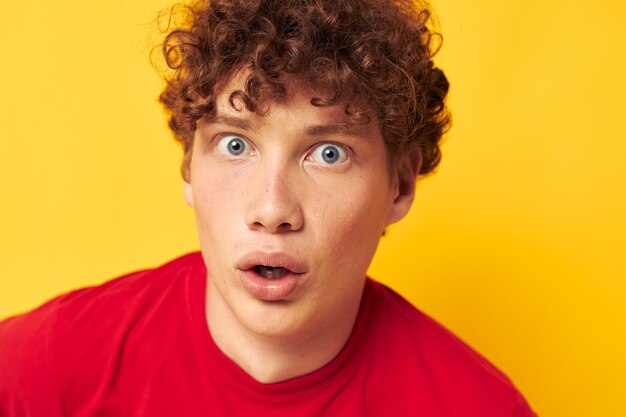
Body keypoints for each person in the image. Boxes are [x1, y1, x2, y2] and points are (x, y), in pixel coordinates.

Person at [0, 0, 537, 415]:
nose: (272, 208)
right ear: (188, 165)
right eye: (236, 144)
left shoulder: (481, 408)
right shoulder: (36, 375)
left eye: (329, 153)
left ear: (398, 186)